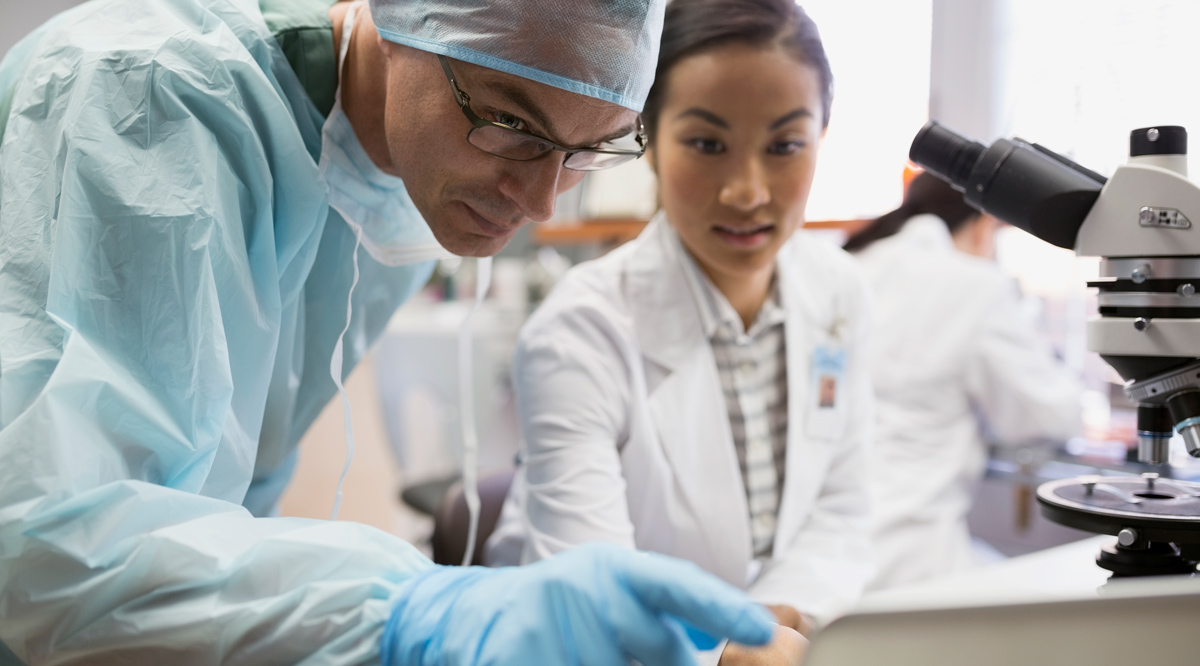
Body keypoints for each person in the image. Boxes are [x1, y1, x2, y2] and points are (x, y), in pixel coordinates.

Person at [0, 0, 787, 663]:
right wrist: (416, 614)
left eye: (593, 148)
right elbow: (44, 553)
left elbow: (213, 508)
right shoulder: (146, 100)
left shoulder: (398, 182)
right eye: (513, 122)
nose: (541, 201)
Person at [487, 1, 874, 663]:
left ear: (821, 137)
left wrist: (770, 621)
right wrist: (720, 650)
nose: (747, 191)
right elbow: (592, 596)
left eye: (784, 145)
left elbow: (842, 507)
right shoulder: (579, 333)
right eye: (707, 144)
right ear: (649, 139)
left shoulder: (840, 293)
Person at [845, 172, 1082, 590]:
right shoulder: (974, 285)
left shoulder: (852, 267)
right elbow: (1051, 416)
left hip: (825, 550)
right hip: (909, 555)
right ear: (983, 225)